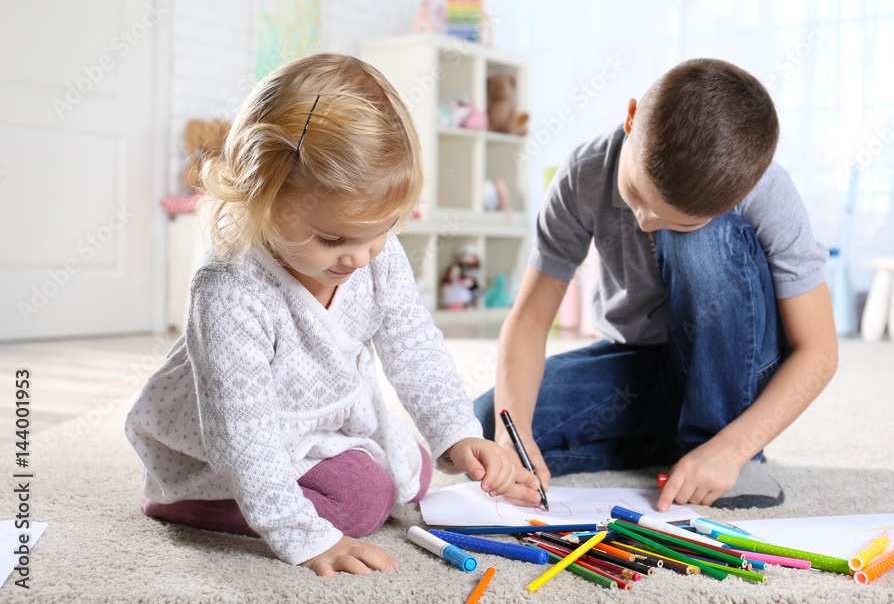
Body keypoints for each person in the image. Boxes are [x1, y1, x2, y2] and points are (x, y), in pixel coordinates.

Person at [124, 53, 536, 578]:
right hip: (227, 445)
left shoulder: (376, 256)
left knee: (419, 466)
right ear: (262, 200)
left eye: (382, 228)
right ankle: (187, 502)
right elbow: (243, 439)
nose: (361, 258)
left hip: (322, 420)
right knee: (363, 499)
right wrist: (300, 533)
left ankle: (342, 473)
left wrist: (458, 432)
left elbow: (416, 350)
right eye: (334, 239)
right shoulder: (229, 289)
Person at [475, 58, 838, 511]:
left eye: (674, 220)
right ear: (630, 119)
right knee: (490, 424)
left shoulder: (765, 190)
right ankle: (679, 445)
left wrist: (732, 448)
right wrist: (517, 435)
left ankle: (718, 448)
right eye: (638, 194)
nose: (646, 222)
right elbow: (529, 320)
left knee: (704, 240)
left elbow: (819, 351)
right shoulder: (584, 173)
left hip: (734, 373)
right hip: (641, 367)